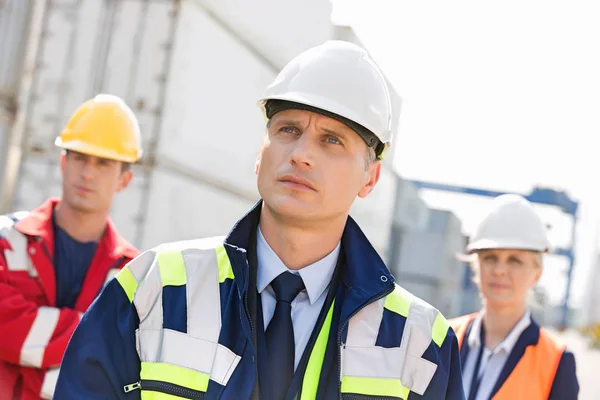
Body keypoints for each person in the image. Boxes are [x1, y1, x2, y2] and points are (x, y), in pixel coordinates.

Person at [54, 41, 465, 399]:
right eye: (288, 130)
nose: (301, 153)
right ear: (260, 154)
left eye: (331, 140)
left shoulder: (419, 342)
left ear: (369, 178)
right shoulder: (154, 287)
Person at [0, 94, 143, 399]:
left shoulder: (137, 275)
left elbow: (126, 373)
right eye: (79, 157)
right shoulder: (6, 238)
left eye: (103, 163)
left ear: (125, 180)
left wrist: (24, 346)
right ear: (64, 162)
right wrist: (93, 335)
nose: (87, 173)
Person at [449, 194, 579, 400]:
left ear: (537, 273)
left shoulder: (557, 363)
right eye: (490, 257)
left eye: (514, 260)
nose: (500, 270)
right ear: (476, 266)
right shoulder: (443, 337)